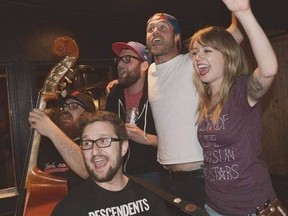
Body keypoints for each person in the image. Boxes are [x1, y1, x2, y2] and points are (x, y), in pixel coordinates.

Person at [189, 0, 277, 215]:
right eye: (194, 52)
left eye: (207, 51)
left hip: (252, 207)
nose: (198, 57)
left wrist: (243, 12)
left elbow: (268, 70)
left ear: (227, 55)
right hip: (215, 206)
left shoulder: (241, 91)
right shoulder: (205, 99)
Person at [51, 111, 170, 216]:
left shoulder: (150, 195)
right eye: (87, 143)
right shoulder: (70, 209)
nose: (94, 151)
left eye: (103, 141)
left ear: (123, 147)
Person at [105, 41, 163, 184]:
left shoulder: (158, 94)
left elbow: (176, 142)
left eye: (127, 59)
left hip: (154, 173)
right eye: (119, 59)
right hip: (119, 172)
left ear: (144, 65)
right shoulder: (114, 94)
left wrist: (145, 138)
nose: (120, 64)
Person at [29, 90, 96, 188]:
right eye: (63, 107)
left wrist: (51, 130)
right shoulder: (48, 145)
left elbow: (88, 170)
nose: (65, 110)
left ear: (87, 114)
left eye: (73, 106)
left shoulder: (94, 143)